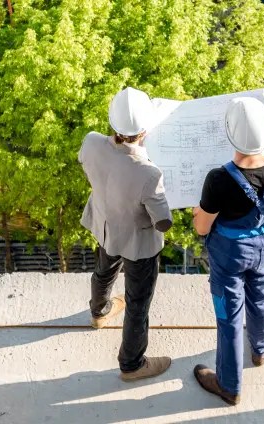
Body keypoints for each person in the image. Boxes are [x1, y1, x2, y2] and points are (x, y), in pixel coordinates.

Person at [190, 98, 264, 405]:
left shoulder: (218, 179)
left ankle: (229, 386)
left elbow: (202, 228)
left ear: (231, 135)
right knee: (262, 296)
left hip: (230, 255)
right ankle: (260, 350)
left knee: (229, 315)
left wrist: (197, 211)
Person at [77, 87, 175, 381]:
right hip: (138, 242)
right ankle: (132, 364)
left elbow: (90, 164)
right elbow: (163, 223)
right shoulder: (148, 173)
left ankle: (99, 312)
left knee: (104, 271)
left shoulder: (91, 142)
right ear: (145, 131)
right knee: (137, 301)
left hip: (105, 224)